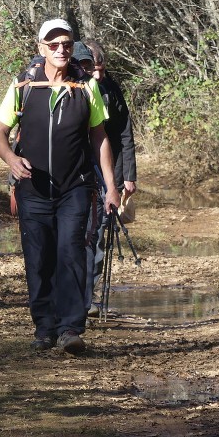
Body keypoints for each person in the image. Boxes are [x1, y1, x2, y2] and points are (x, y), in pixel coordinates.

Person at [0, 18, 119, 354]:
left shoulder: (86, 87)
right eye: (53, 45)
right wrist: (11, 160)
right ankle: (44, 328)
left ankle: (70, 329)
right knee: (39, 258)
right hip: (32, 189)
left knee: (71, 253)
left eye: (66, 44)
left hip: (76, 187)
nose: (61, 50)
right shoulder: (23, 86)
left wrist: (111, 186)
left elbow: (100, 138)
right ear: (41, 49)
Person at [75, 39, 138, 317]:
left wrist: (127, 177)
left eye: (101, 69)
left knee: (97, 234)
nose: (97, 75)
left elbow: (125, 135)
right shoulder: (73, 88)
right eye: (92, 69)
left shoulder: (112, 90)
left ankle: (87, 297)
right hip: (76, 173)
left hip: (107, 175)